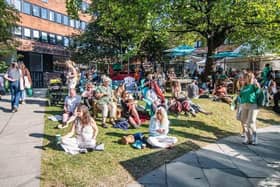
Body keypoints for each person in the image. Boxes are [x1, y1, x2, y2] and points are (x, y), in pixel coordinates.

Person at [239, 72, 260, 145]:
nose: (244, 78)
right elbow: (240, 95)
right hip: (244, 105)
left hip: (253, 105)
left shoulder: (254, 85)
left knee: (251, 122)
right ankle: (248, 138)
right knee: (243, 121)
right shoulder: (244, 86)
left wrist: (257, 85)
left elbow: (259, 92)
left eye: (246, 77)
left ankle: (255, 138)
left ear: (250, 77)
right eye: (244, 77)